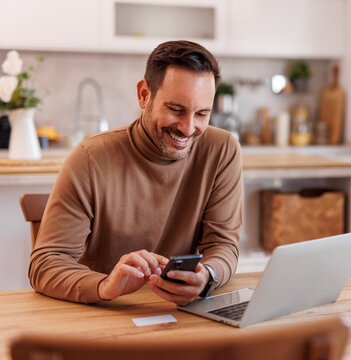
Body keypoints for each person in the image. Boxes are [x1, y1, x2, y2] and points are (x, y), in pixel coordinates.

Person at [28, 40, 243, 305]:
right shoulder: (90, 158)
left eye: (201, 114)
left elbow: (223, 246)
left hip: (181, 313)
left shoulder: (221, 150)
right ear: (144, 95)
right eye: (176, 109)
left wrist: (207, 276)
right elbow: (46, 264)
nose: (188, 129)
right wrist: (104, 285)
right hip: (105, 311)